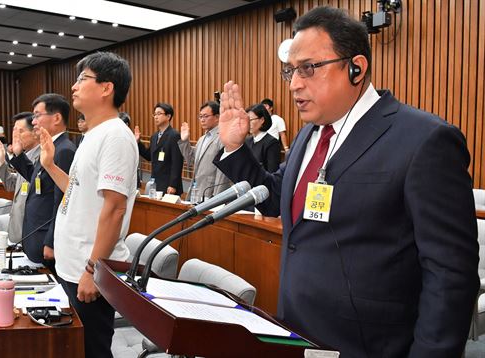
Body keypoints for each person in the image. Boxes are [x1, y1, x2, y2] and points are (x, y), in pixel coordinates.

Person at [214, 6, 478, 357]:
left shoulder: (424, 140)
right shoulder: (310, 135)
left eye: (308, 68)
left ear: (356, 68)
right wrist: (235, 148)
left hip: (370, 345)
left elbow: (450, 274)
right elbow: (277, 198)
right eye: (290, 71)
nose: (294, 83)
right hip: (299, 333)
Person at [39, 51, 137, 358]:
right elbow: (78, 192)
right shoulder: (93, 134)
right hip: (72, 265)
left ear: (107, 88)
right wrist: (51, 166)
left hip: (89, 269)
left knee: (92, 351)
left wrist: (92, 270)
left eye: (83, 79)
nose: (74, 86)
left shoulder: (116, 136)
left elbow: (114, 209)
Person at [8, 94, 75, 267]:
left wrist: (51, 242)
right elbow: (36, 179)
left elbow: (62, 201)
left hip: (45, 240)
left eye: (37, 115)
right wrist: (18, 155)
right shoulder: (50, 145)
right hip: (34, 235)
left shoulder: (64, 150)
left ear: (57, 118)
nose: (34, 121)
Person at [0, 112, 40, 243]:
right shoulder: (25, 156)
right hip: (16, 229)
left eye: (20, 131)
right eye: (14, 131)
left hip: (31, 230)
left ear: (35, 132)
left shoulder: (42, 157)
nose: (16, 137)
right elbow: (11, 185)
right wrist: (2, 162)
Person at [177, 101, 229, 201]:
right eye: (200, 116)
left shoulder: (222, 138)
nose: (202, 120)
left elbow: (222, 171)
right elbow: (192, 160)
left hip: (211, 192)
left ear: (217, 117)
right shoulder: (202, 139)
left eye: (205, 116)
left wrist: (217, 197)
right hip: (196, 190)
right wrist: (184, 141)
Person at [134, 102, 184, 195]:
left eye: (159, 114)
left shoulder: (174, 135)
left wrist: (173, 185)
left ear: (168, 116)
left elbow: (177, 162)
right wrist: (138, 142)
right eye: (155, 114)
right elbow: (149, 156)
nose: (156, 117)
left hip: (168, 184)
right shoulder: (154, 136)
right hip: (155, 183)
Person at [244, 103, 281, 172]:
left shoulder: (272, 143)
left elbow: (272, 172)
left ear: (262, 120)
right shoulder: (247, 141)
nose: (248, 123)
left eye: (251, 120)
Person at [119, 111, 141, 190]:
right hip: (117, 177)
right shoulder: (112, 137)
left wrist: (135, 142)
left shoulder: (131, 138)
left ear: (127, 124)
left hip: (130, 176)